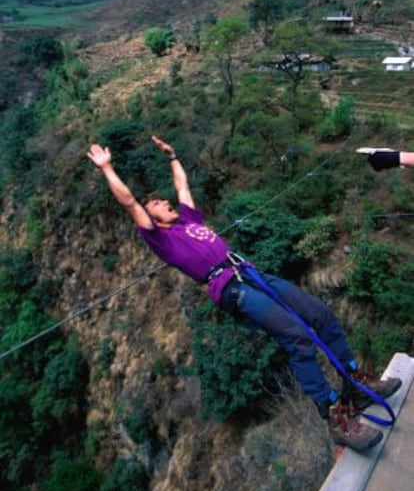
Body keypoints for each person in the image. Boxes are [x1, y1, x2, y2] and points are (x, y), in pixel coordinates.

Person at [88, 136, 402, 453]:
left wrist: (172, 156)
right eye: (155, 205)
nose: (164, 203)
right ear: (151, 217)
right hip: (230, 287)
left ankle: (356, 382)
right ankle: (335, 415)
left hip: (250, 272)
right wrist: (107, 169)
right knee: (297, 337)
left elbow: (182, 187)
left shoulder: (190, 220)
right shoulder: (161, 239)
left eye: (162, 201)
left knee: (321, 315)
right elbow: (129, 203)